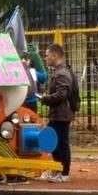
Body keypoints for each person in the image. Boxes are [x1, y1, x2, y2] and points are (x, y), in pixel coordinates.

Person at [38, 44, 75, 183]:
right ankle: (58, 169)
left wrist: (45, 99)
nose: (45, 58)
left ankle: (64, 173)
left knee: (61, 143)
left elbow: (62, 94)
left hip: (61, 114)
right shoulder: (61, 71)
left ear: (55, 56)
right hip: (58, 114)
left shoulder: (61, 73)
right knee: (54, 142)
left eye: (47, 55)